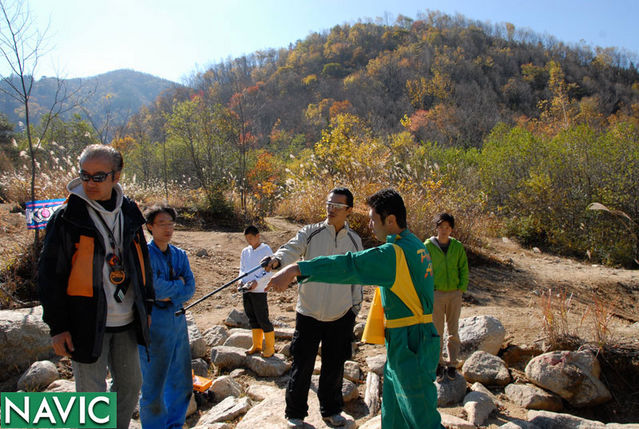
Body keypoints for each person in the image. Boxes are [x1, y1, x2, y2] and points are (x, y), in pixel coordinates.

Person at [267, 188, 442, 429]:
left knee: (421, 416)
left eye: (373, 219)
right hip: (406, 337)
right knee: (395, 410)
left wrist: (297, 269)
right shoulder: (414, 244)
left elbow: (349, 266)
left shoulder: (394, 253)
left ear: (390, 220)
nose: (370, 224)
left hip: (411, 340)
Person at [38, 144, 154, 429]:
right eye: (84, 175)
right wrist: (58, 326)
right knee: (91, 397)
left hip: (126, 320)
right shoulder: (66, 217)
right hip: (85, 323)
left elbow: (142, 262)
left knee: (129, 387)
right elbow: (49, 275)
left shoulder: (128, 210)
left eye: (98, 176)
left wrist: (146, 307)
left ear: (116, 176)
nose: (89, 183)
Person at [264, 187, 363, 428]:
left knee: (334, 365)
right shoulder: (311, 232)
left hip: (341, 313)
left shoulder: (355, 240)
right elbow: (292, 248)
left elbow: (358, 276)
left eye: (337, 205)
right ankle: (295, 414)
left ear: (348, 210)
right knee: (302, 364)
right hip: (308, 311)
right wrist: (277, 260)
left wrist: (354, 308)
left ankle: (331, 410)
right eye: (329, 204)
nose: (331, 209)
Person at [139, 204, 196, 429]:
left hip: (178, 322)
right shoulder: (144, 255)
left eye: (171, 224)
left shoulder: (180, 255)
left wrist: (170, 291)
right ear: (150, 227)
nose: (168, 229)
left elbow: (190, 288)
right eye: (162, 224)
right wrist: (177, 287)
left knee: (182, 382)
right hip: (154, 323)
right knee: (153, 385)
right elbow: (153, 288)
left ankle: (175, 424)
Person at [425, 213, 469, 382]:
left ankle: (451, 364)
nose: (444, 230)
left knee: (453, 330)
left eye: (447, 227)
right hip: (436, 293)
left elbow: (463, 268)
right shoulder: (428, 246)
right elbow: (423, 268)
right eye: (441, 227)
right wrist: (429, 289)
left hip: (454, 294)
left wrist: (461, 288)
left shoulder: (457, 246)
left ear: (451, 229)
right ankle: (437, 363)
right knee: (436, 331)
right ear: (436, 228)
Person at [238, 225, 275, 357]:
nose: (249, 241)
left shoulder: (266, 250)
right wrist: (241, 280)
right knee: (251, 316)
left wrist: (256, 282)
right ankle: (257, 345)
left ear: (258, 236)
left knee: (262, 317)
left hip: (259, 290)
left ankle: (270, 347)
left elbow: (269, 271)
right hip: (246, 289)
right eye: (247, 238)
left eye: (251, 238)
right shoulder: (245, 251)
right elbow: (242, 268)